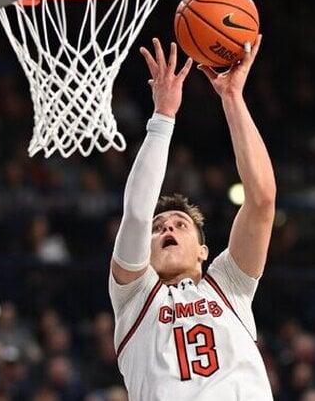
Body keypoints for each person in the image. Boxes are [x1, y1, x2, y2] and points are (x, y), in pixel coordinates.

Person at [108, 36, 276, 399]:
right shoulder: (134, 298)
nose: (167, 227)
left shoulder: (229, 285)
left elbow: (262, 200)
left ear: (203, 251)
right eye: (158, 228)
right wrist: (163, 117)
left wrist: (232, 97)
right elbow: (137, 214)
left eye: (180, 225)